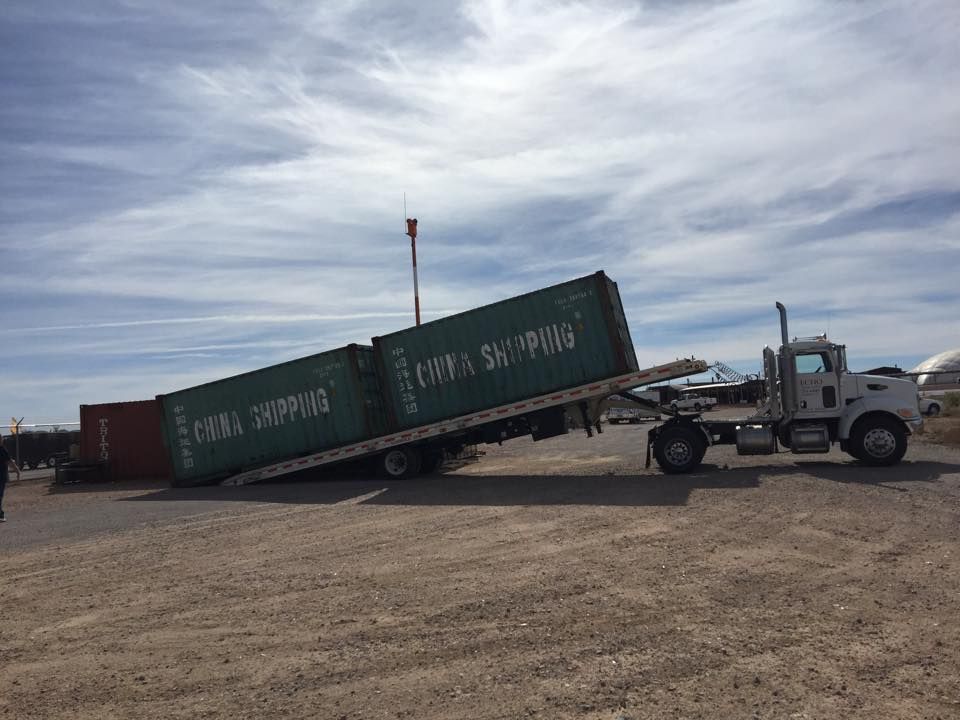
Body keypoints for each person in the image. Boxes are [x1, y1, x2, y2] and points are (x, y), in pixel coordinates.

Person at [0, 434, 22, 522]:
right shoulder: (2, 450)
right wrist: (17, 471)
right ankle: (0, 515)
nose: (2, 440)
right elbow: (10, 462)